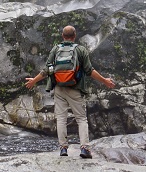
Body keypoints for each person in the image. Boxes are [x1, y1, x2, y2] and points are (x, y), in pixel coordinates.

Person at [24, 25, 116, 159]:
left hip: (59, 89)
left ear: (62, 36)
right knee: (81, 119)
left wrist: (34, 80)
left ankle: (63, 148)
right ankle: (84, 148)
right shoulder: (80, 50)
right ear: (74, 36)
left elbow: (47, 70)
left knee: (61, 119)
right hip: (75, 88)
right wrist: (105, 81)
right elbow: (89, 71)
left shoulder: (56, 49)